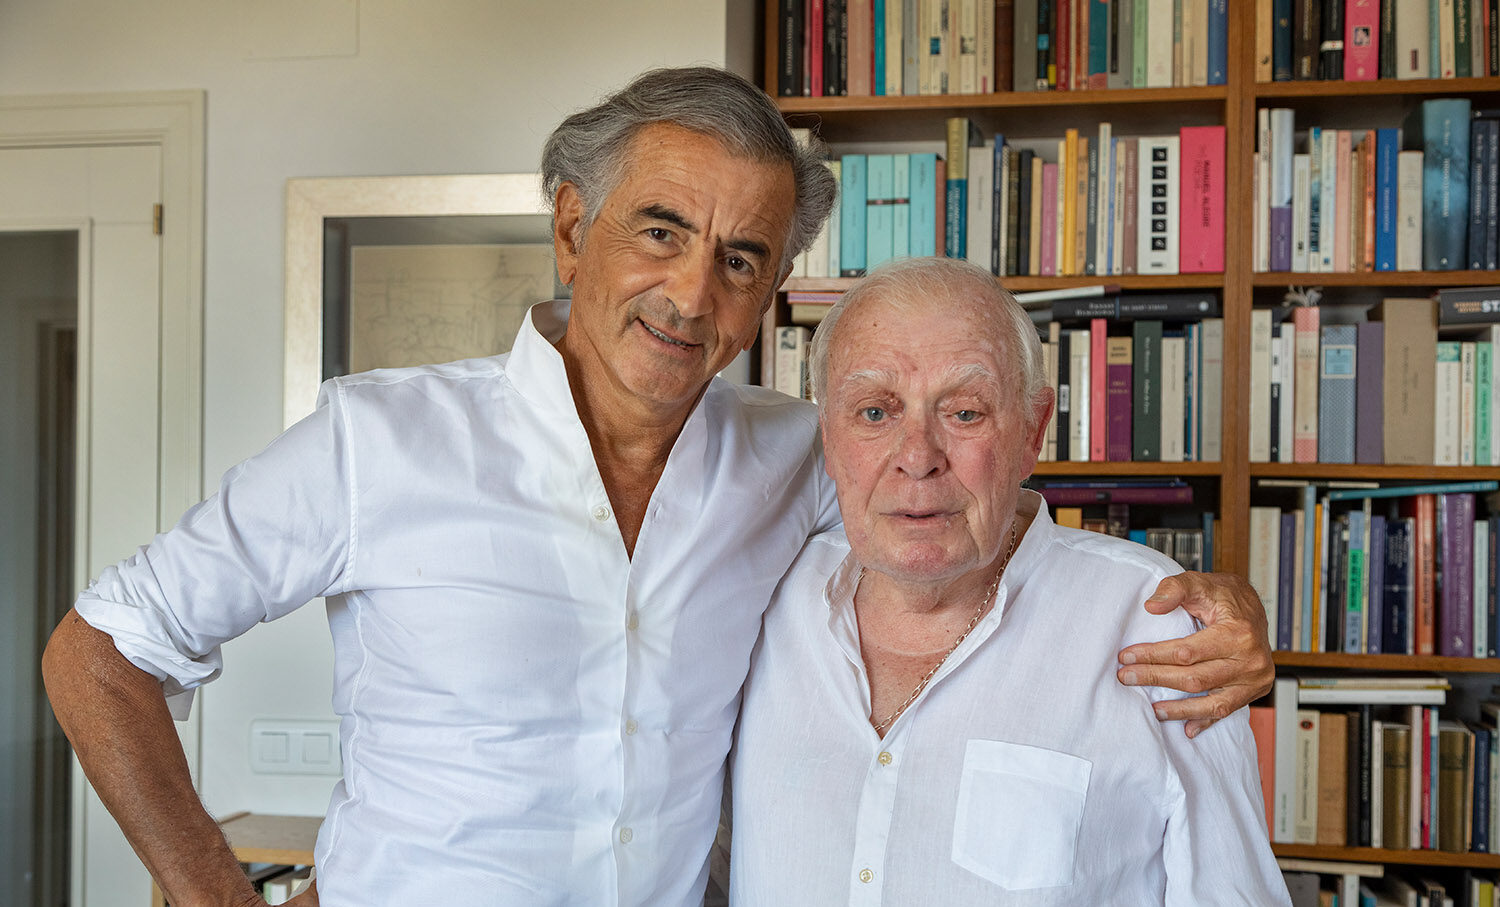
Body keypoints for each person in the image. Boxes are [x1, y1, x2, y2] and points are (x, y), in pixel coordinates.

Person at [42, 67, 1273, 907]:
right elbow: (96, 654)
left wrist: (1202, 603)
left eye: (742, 258)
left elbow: (960, 498)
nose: (692, 295)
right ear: (573, 229)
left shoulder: (799, 451)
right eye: (660, 230)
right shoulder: (378, 443)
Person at [729, 257, 1288, 905]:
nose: (918, 457)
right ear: (827, 436)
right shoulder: (761, 596)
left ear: (1032, 431)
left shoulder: (1159, 630)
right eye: (875, 411)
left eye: (965, 412)